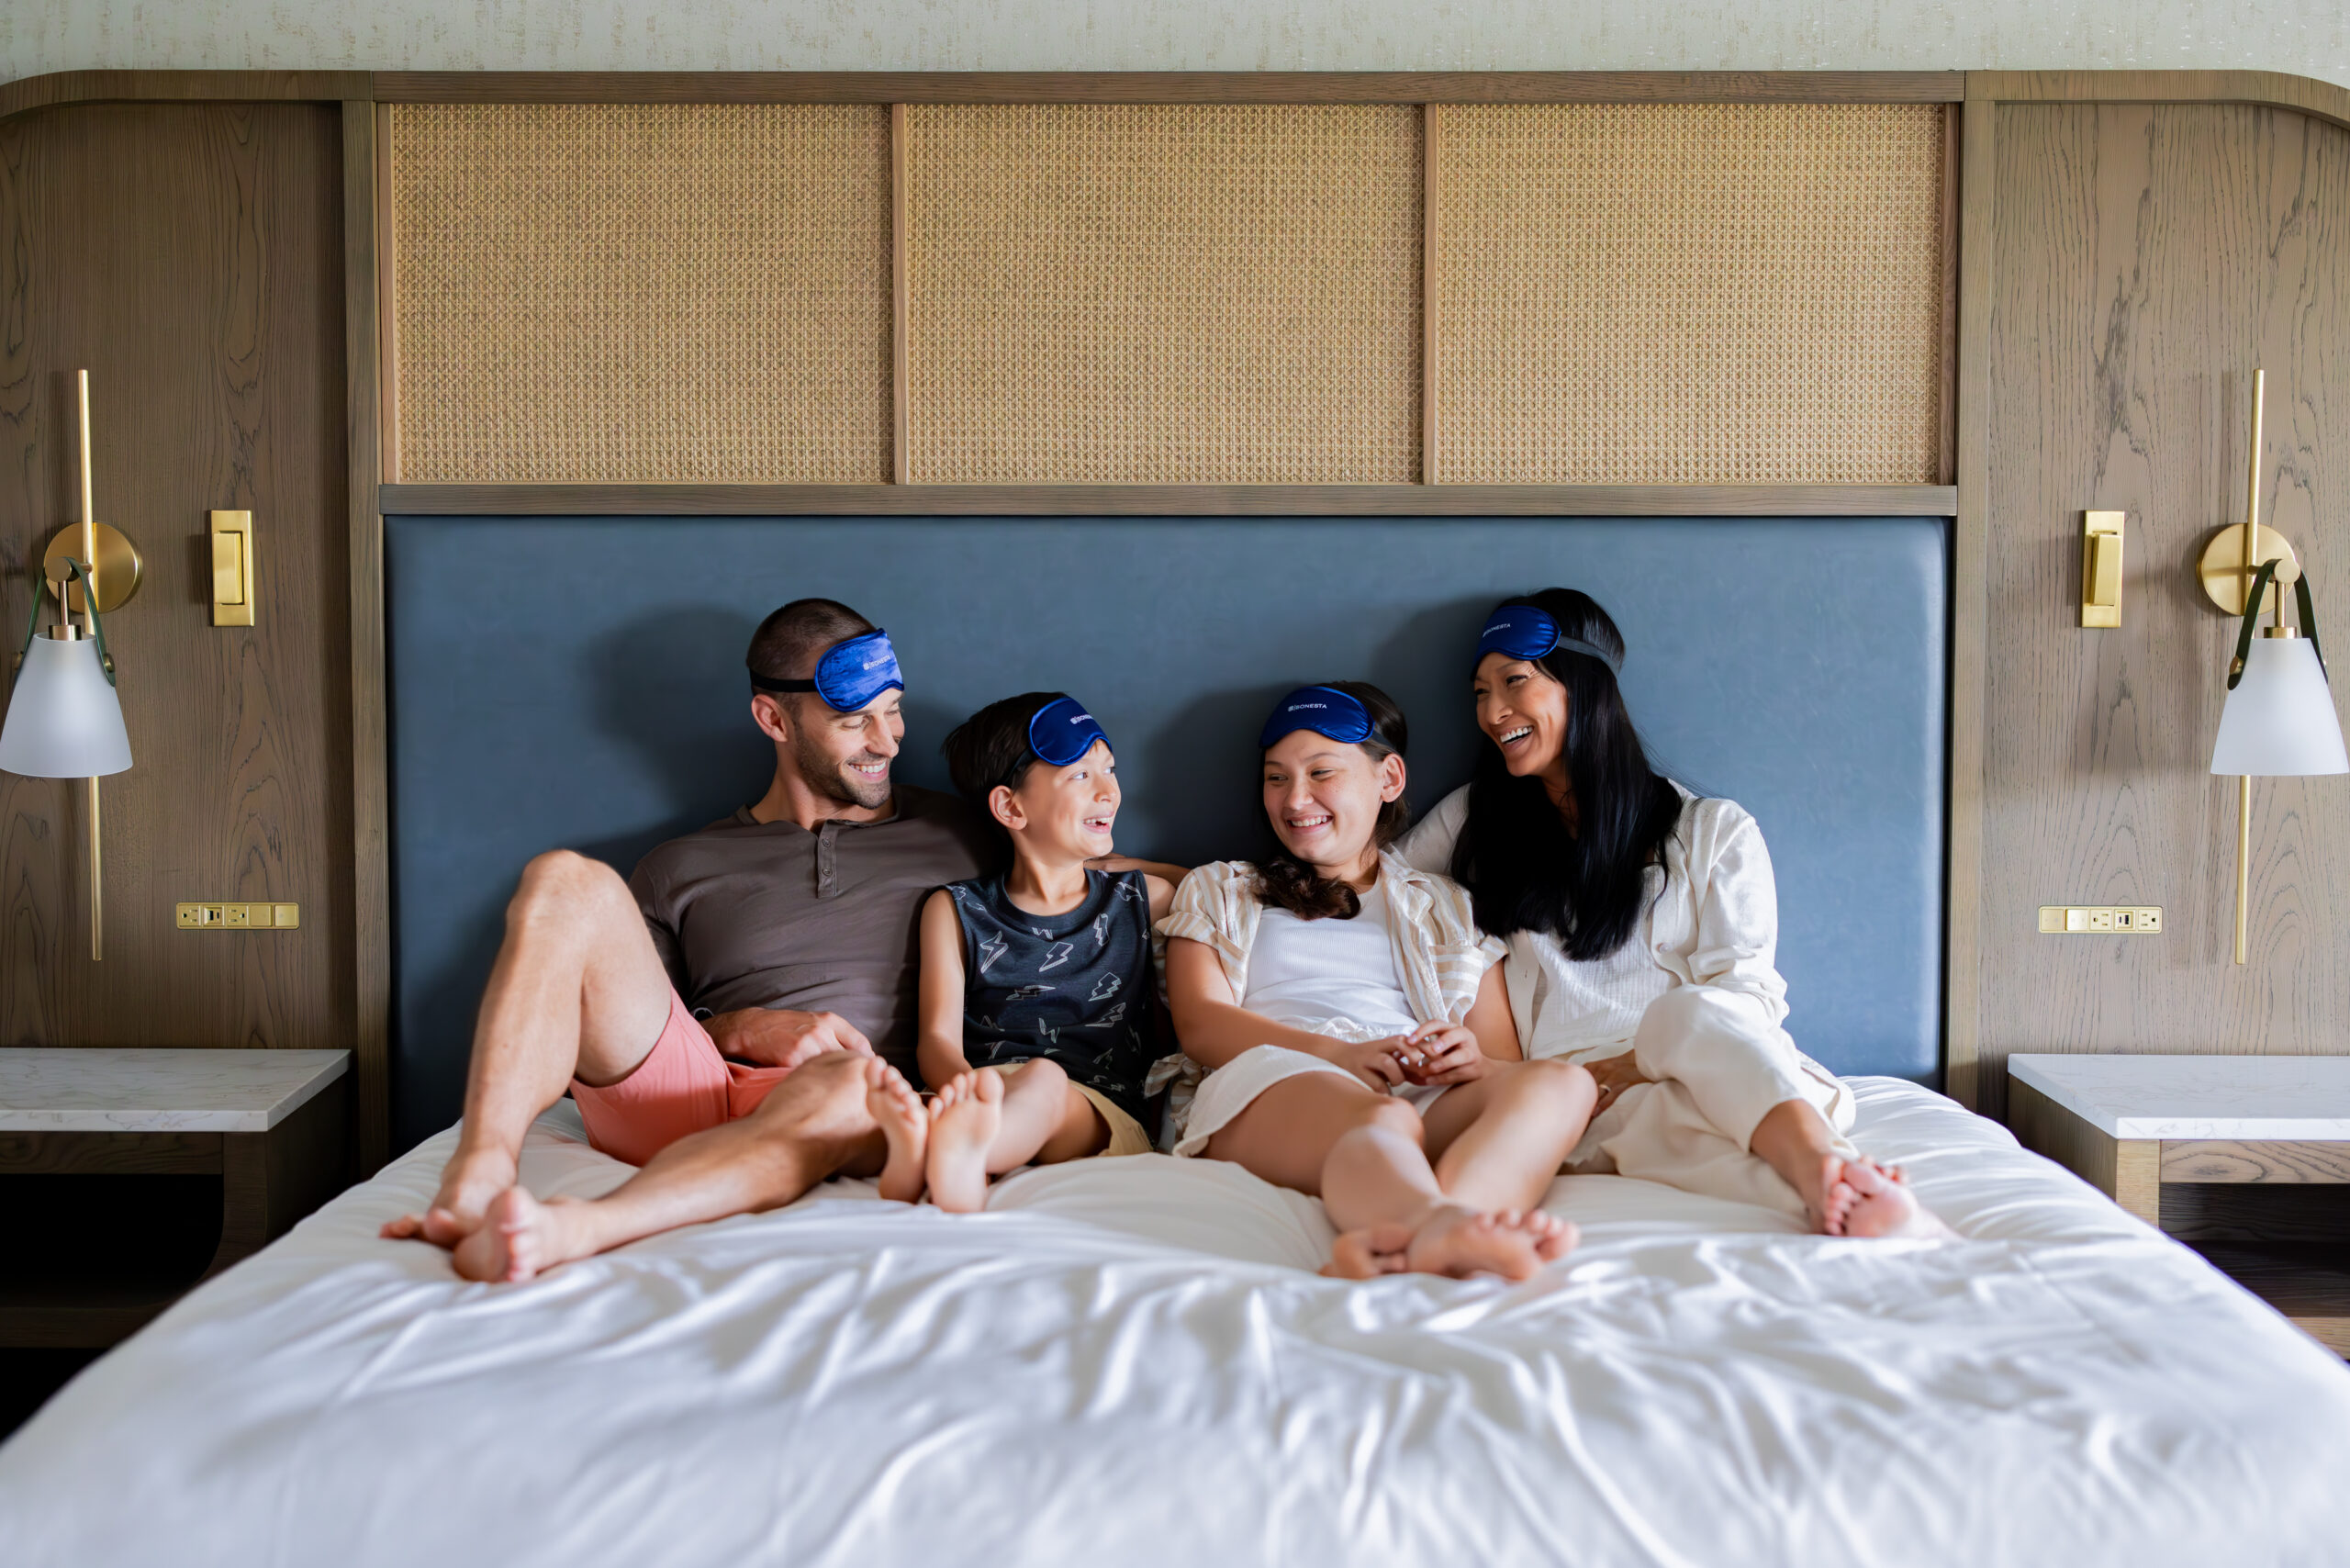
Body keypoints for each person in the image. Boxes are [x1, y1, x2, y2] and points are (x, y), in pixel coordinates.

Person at [381, 599, 995, 1282]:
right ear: (773, 719)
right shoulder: (683, 863)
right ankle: (481, 1171)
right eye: (856, 722)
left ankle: (585, 1226)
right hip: (686, 1089)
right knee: (565, 879)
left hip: (842, 1090)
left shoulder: (961, 834)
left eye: (894, 709)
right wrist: (744, 1027)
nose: (888, 740)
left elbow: (1089, 877)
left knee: (846, 1079)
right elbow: (627, 1015)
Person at [1398, 588, 1950, 1238]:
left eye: (1514, 681)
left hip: (1718, 1057)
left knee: (1684, 1015)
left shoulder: (1713, 830)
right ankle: (1836, 1182)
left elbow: (1746, 995)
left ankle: (1828, 1169)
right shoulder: (1474, 821)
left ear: (1585, 683)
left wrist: (1640, 1060)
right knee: (1671, 1131)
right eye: (1480, 692)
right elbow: (1377, 887)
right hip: (1586, 1101)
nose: (1493, 712)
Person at [1160, 682, 1597, 1282]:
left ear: (1388, 779)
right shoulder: (1220, 888)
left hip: (1406, 1082)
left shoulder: (1448, 907)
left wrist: (1460, 1055)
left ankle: (1445, 1229)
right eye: (1276, 777)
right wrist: (1340, 1054)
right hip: (1275, 1079)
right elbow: (1201, 1025)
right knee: (1380, 1119)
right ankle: (1432, 1227)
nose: (1295, 799)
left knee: (1563, 1084)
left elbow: (1498, 1059)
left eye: (1321, 772)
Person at [912, 692, 1181, 1211]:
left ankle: (963, 1153)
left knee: (1046, 1081)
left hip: (1095, 1115)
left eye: (1110, 768)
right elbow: (934, 1043)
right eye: (1080, 776)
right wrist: (975, 1095)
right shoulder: (955, 910)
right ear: (1011, 807)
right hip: (981, 1090)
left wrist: (1144, 865)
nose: (1109, 791)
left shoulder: (1143, 900)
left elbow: (1221, 893)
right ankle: (955, 1144)